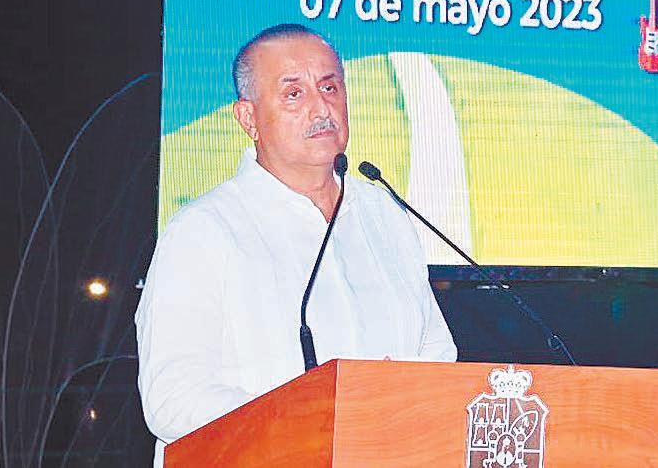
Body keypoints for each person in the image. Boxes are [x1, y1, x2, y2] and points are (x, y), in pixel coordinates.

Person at [136, 24, 456, 465]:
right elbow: (172, 399)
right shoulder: (203, 231)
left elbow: (436, 355)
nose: (321, 108)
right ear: (248, 118)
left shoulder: (384, 214)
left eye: (330, 87)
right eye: (293, 94)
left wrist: (397, 405)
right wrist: (312, 418)